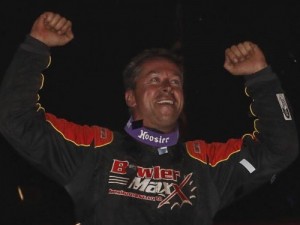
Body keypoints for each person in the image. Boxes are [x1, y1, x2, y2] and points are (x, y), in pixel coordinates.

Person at [0, 11, 298, 225]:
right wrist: (35, 46)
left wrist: (261, 78)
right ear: (131, 97)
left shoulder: (207, 165)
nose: (168, 86)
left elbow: (280, 148)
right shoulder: (93, 152)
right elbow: (16, 119)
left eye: (175, 81)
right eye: (154, 79)